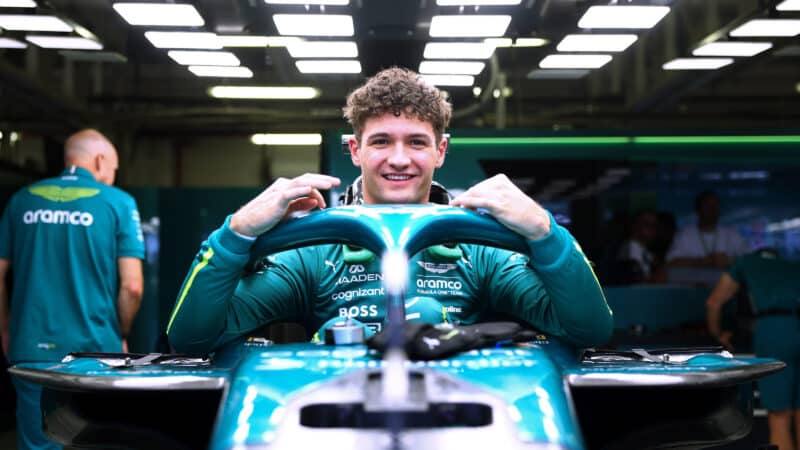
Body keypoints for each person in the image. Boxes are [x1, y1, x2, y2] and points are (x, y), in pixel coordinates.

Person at [166, 67, 613, 355]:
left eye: (416, 142)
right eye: (381, 141)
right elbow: (191, 340)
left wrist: (543, 230)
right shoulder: (314, 247)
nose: (399, 159)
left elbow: (588, 331)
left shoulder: (479, 245)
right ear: (354, 149)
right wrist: (237, 233)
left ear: (440, 151)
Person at [0, 129, 144, 450]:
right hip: (98, 353)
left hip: (30, 349)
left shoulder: (22, 199)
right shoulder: (118, 202)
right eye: (114, 170)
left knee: (39, 441)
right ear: (99, 160)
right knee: (99, 441)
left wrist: (6, 327)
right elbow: (132, 286)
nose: (112, 178)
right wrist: (122, 331)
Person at [705, 248, 800, 450]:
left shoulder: (746, 262)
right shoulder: (793, 263)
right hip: (795, 323)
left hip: (774, 330)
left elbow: (714, 303)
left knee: (779, 414)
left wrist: (718, 334)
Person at [666, 190, 748, 269]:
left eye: (715, 205)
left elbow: (749, 261)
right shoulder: (685, 235)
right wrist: (702, 262)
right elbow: (671, 262)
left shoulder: (732, 234)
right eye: (707, 205)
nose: (712, 209)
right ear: (698, 209)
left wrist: (730, 261)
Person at [615, 210, 661, 283]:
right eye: (647, 224)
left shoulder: (646, 250)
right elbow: (637, 280)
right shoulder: (629, 248)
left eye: (654, 225)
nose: (652, 229)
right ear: (635, 225)